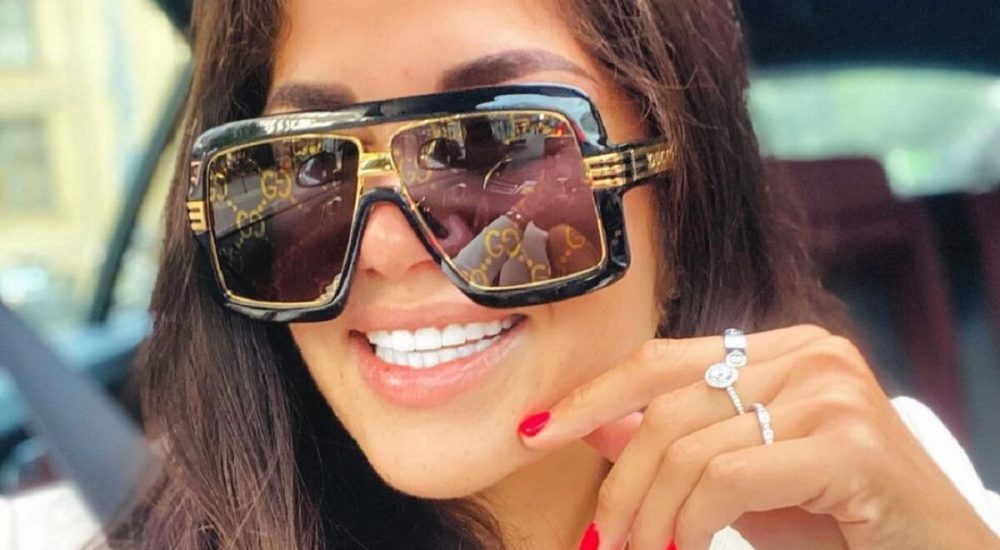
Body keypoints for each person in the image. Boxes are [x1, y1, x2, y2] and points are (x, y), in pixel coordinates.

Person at [92, 1, 1000, 549]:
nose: (387, 247)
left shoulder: (878, 484)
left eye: (501, 150)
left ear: (681, 197)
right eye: (307, 169)